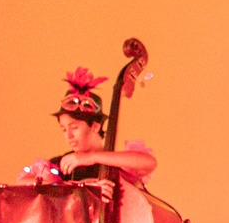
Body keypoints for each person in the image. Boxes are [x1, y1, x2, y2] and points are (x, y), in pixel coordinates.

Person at [18, 67, 157, 184]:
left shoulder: (117, 163)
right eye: (64, 129)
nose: (68, 136)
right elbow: (22, 182)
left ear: (95, 126)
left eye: (74, 127)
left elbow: (149, 163)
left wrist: (92, 157)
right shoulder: (64, 164)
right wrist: (72, 187)